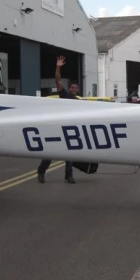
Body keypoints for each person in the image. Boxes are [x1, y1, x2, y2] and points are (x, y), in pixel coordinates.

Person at [37, 56, 80, 184]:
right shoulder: (64, 95)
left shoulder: (79, 102)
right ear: (69, 88)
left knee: (70, 155)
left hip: (70, 130)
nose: (73, 89)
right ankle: (41, 172)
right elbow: (57, 80)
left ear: (77, 90)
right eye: (71, 87)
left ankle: (68, 176)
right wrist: (58, 67)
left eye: (75, 88)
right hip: (58, 128)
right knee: (50, 152)